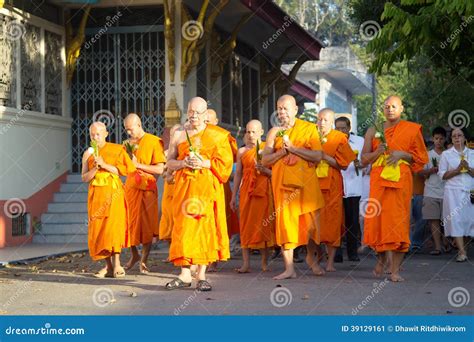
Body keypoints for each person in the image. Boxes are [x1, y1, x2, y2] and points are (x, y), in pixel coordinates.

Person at [165, 97, 233, 291]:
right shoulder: (179, 134)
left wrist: (204, 163)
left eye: (198, 112)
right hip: (184, 189)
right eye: (191, 112)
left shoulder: (217, 136)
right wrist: (183, 163)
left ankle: (201, 275)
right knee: (183, 229)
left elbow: (226, 166)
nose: (194, 116)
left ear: (206, 115)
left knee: (204, 230)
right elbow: (169, 163)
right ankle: (185, 274)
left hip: (206, 191)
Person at [361, 95, 428, 282]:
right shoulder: (373, 130)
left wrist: (402, 154)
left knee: (398, 223)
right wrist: (377, 152)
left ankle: (395, 270)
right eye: (387, 106)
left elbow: (421, 159)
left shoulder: (412, 130)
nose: (390, 109)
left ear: (401, 109)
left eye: (394, 106)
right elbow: (363, 159)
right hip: (379, 181)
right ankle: (381, 260)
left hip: (400, 182)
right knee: (379, 223)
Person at [262, 95, 325, 280]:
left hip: (307, 186)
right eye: (279, 108)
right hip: (283, 186)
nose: (282, 112)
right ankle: (289, 268)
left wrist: (294, 149)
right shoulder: (274, 132)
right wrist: (283, 151)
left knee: (312, 226)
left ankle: (311, 257)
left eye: (285, 108)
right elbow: (265, 160)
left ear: (295, 110)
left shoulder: (309, 129)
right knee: (286, 225)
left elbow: (318, 156)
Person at [81, 121, 135, 278]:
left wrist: (104, 164)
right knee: (100, 229)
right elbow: (84, 177)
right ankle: (108, 266)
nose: (95, 137)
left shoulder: (117, 150)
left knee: (113, 228)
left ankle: (118, 264)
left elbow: (125, 170)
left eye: (98, 134)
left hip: (114, 194)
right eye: (92, 134)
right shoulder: (88, 154)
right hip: (97, 195)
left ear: (106, 134)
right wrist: (95, 168)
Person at [312, 109, 355, 272]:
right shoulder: (311, 137)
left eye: (325, 120)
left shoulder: (339, 138)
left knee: (333, 222)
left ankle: (330, 263)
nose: (322, 122)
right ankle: (317, 258)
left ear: (332, 123)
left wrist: (324, 156)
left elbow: (343, 164)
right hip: (314, 183)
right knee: (315, 223)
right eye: (320, 119)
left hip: (332, 185)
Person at [123, 113, 165, 273]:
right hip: (131, 188)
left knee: (147, 226)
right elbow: (125, 167)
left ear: (139, 125)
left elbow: (160, 169)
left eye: (130, 129)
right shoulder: (126, 144)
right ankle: (134, 255)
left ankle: (144, 260)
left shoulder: (154, 141)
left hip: (147, 189)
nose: (128, 133)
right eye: (126, 130)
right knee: (129, 224)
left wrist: (138, 165)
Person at [230, 120, 274, 273]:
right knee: (246, 226)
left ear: (261, 132)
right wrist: (233, 196)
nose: (250, 135)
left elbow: (275, 173)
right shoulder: (242, 152)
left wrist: (265, 170)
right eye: (248, 132)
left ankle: (264, 263)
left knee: (263, 225)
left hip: (263, 191)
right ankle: (246, 264)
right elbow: (237, 174)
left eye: (254, 132)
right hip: (246, 191)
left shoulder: (267, 150)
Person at [438, 127, 474, 262]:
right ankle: (462, 252)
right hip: (453, 192)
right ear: (451, 139)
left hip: (470, 191)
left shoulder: (472, 153)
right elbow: (442, 175)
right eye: (454, 136)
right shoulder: (446, 155)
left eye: (460, 135)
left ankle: (462, 246)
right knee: (456, 221)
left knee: (469, 221)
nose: (457, 138)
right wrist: (457, 170)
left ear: (465, 138)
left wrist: (468, 169)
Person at [335, 116, 365, 262]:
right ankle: (337, 252)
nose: (341, 131)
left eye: (343, 128)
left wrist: (362, 164)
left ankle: (352, 252)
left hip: (353, 186)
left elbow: (366, 161)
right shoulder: (331, 141)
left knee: (352, 221)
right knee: (337, 221)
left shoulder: (360, 141)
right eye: (338, 128)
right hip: (336, 185)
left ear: (349, 128)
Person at [419, 127, 447, 255]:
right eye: (436, 138)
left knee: (447, 221)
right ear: (433, 139)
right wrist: (431, 170)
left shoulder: (449, 154)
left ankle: (447, 243)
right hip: (431, 191)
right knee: (434, 220)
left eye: (441, 138)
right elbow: (420, 172)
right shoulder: (427, 155)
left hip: (447, 191)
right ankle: (437, 247)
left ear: (445, 139)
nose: (439, 141)